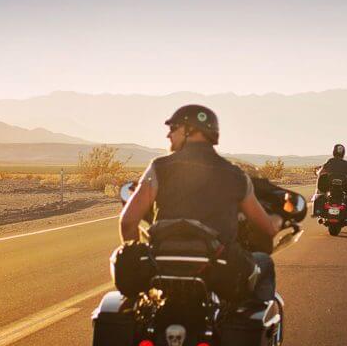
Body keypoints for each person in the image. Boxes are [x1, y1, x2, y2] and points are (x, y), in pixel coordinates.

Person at [119, 104, 281, 301]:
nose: (168, 135)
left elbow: (128, 222)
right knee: (264, 263)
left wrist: (138, 259)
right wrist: (276, 221)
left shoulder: (159, 167)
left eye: (173, 128)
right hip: (219, 267)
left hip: (161, 263)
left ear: (191, 130)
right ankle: (250, 324)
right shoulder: (237, 175)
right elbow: (265, 227)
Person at [317, 144, 347, 222]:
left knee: (320, 193)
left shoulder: (330, 161)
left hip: (330, 189)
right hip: (344, 191)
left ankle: (320, 212)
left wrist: (317, 172)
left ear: (333, 152)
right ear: (343, 153)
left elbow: (320, 173)